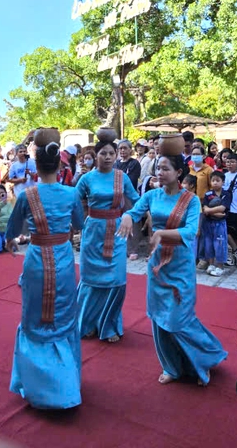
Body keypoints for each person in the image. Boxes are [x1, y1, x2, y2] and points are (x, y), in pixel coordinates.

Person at [118, 152, 227, 386]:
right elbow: (134, 212)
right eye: (158, 168)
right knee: (159, 318)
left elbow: (191, 231)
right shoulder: (151, 196)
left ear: (179, 172)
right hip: (157, 266)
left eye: (166, 168)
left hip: (180, 265)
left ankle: (202, 361)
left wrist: (161, 234)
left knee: (180, 319)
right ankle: (171, 366)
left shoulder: (191, 200)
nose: (160, 172)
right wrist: (127, 216)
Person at [5, 140, 85, 409]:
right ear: (60, 166)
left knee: (34, 317)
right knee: (62, 316)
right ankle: (66, 382)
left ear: (36, 167)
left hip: (37, 260)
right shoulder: (71, 193)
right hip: (62, 261)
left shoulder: (27, 196)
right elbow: (79, 223)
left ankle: (38, 386)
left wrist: (10, 241)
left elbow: (13, 227)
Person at [76, 139, 140, 343]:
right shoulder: (86, 179)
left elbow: (138, 201)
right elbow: (72, 201)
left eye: (111, 153)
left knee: (117, 280)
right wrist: (75, 223)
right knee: (90, 280)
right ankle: (87, 323)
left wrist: (132, 216)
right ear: (96, 155)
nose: (108, 156)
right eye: (103, 153)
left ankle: (109, 324)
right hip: (93, 231)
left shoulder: (122, 177)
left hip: (118, 231)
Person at [197, 171, 228, 276]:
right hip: (208, 223)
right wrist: (214, 212)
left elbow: (223, 208)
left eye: (218, 180)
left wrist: (210, 211)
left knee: (220, 244)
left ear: (223, 182)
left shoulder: (226, 194)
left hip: (220, 224)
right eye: (213, 180)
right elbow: (205, 207)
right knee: (208, 243)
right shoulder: (208, 194)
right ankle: (211, 264)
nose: (215, 183)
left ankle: (220, 266)